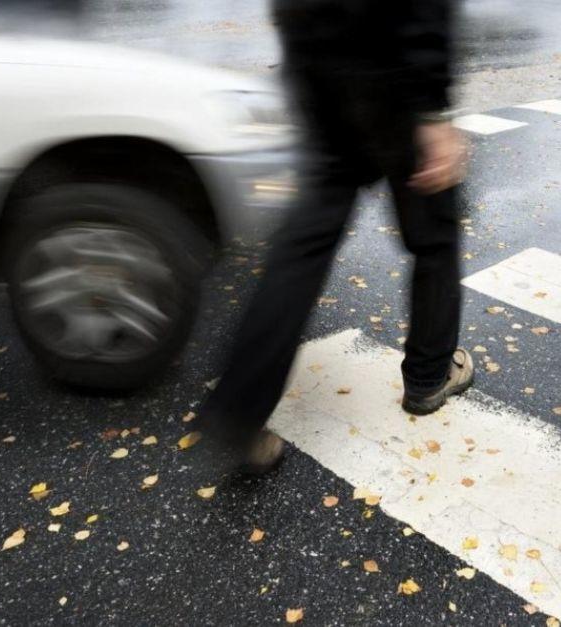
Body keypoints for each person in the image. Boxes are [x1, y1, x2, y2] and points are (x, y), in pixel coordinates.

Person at [202, 0, 472, 474]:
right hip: (392, 66)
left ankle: (239, 410)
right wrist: (434, 110)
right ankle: (429, 378)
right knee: (435, 234)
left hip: (317, 61)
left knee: (303, 248)